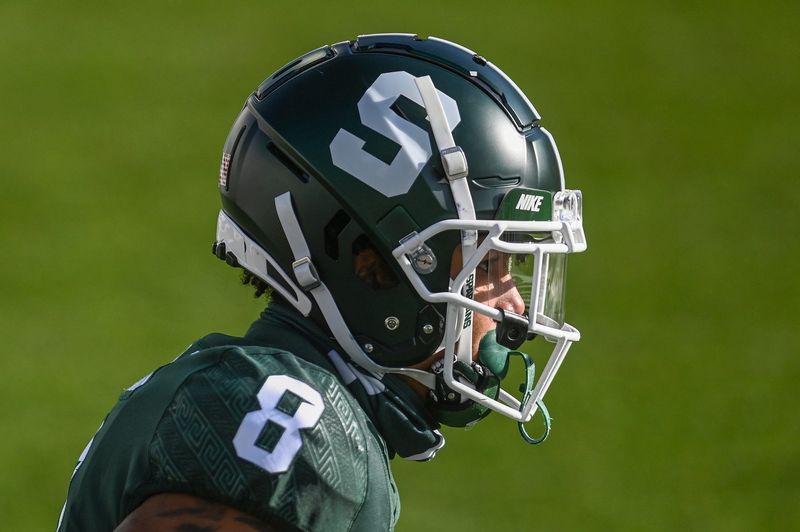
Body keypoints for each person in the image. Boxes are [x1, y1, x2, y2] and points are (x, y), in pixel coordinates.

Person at [57, 33, 587, 531]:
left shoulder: (272, 394)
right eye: (488, 267)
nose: (516, 308)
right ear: (373, 263)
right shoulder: (293, 424)